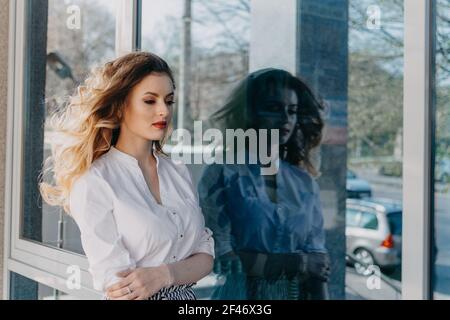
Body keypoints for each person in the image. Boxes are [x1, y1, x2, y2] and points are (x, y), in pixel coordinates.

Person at [39, 52, 215, 300]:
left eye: (169, 100)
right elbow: (121, 287)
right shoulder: (95, 181)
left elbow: (206, 256)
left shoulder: (178, 171)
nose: (163, 110)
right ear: (121, 106)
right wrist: (179, 271)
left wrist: (164, 274)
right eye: (150, 101)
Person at [198, 68, 330, 300]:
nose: (285, 119)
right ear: (249, 113)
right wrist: (296, 262)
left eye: (292, 111)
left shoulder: (304, 182)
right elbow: (220, 261)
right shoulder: (222, 173)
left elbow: (318, 266)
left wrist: (300, 265)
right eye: (273, 108)